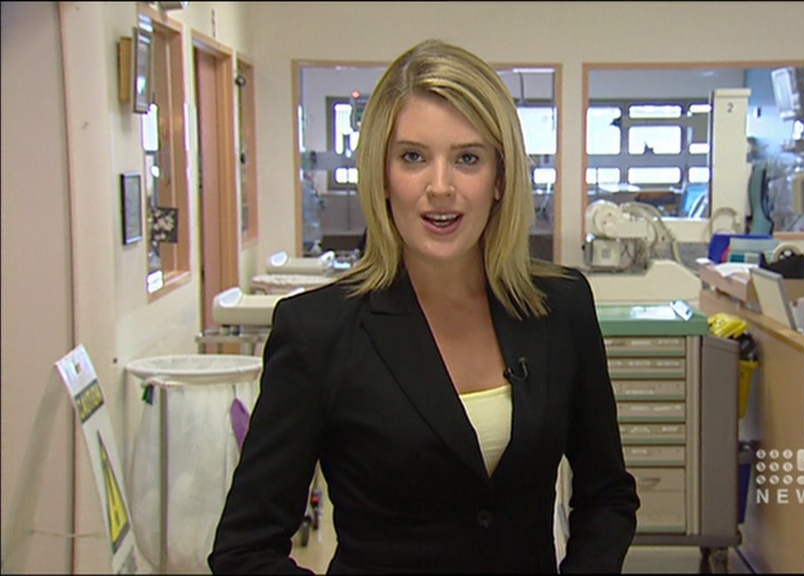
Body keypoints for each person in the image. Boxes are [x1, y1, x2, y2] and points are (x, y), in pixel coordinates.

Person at [208, 39, 639, 574]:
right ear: (382, 175)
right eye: (413, 157)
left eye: (467, 158)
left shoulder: (560, 308)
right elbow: (244, 550)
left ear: (500, 179)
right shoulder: (319, 332)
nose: (440, 187)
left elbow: (607, 496)